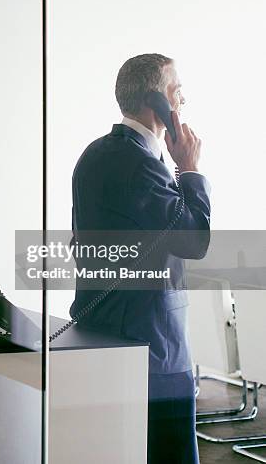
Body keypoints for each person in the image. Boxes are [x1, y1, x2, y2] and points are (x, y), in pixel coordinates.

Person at [69, 53, 211, 463]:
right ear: (158, 101)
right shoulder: (139, 164)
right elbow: (193, 240)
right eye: (177, 93)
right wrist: (190, 169)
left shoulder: (95, 154)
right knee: (171, 453)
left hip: (105, 329)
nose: (182, 103)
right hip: (151, 344)